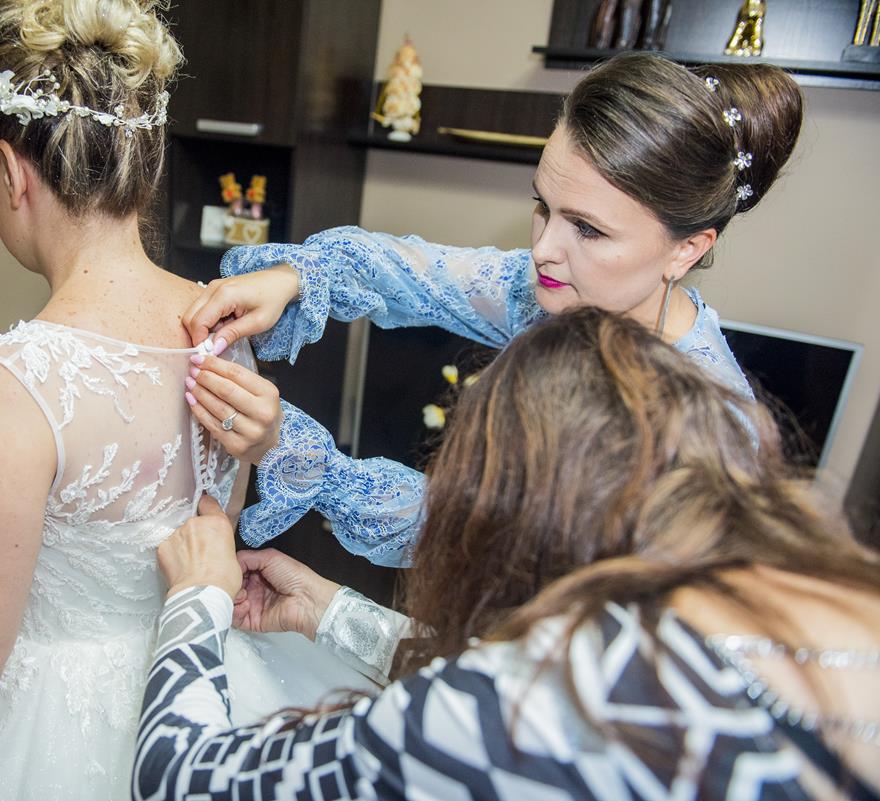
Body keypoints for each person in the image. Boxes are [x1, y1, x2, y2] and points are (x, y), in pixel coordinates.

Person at [0, 2, 368, 799]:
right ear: (143, 164)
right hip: (205, 670)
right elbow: (215, 521)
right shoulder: (222, 324)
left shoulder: (12, 378)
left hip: (50, 718)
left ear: (11, 172)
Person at [138, 308, 880, 801]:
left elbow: (183, 777)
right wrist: (330, 612)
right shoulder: (817, 591)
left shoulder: (537, 707)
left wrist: (199, 595)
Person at [176, 52, 805, 567]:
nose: (543, 250)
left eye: (588, 229)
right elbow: (411, 272)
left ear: (687, 249)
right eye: (542, 207)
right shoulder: (559, 291)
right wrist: (296, 276)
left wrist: (289, 449)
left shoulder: (700, 441)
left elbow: (479, 544)